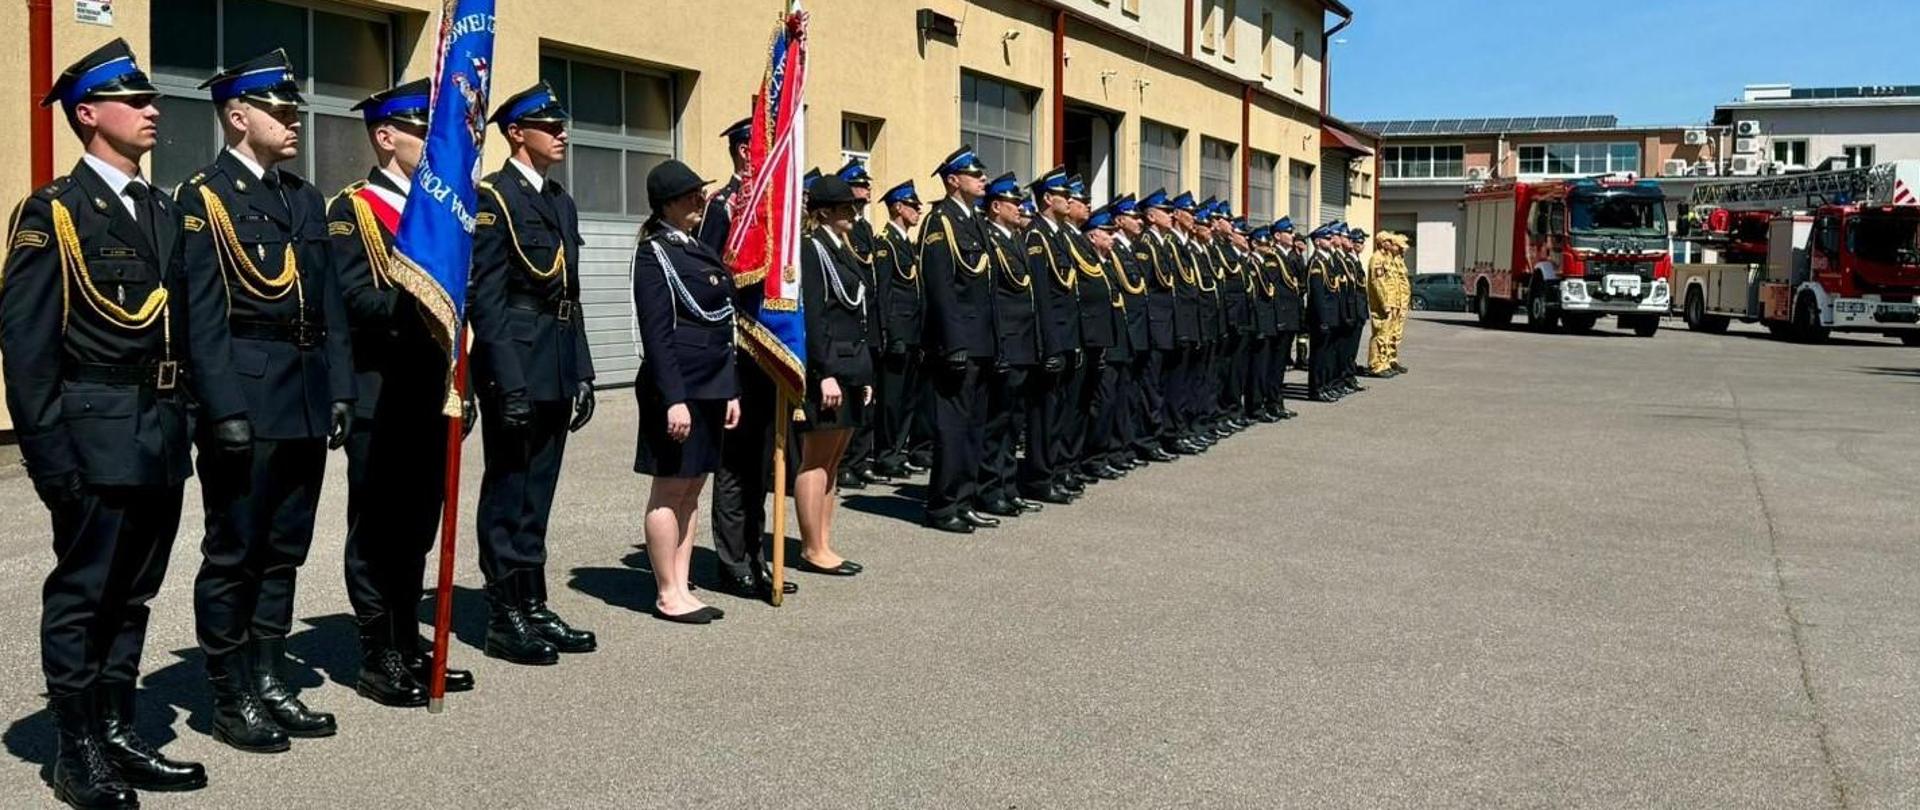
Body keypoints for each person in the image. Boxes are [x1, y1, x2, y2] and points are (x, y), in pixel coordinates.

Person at [3, 39, 241, 806]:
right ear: (88, 114)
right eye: (133, 101)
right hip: (94, 436)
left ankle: (117, 728)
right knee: (84, 595)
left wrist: (213, 420)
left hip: (160, 434)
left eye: (150, 100)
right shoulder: (56, 213)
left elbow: (197, 329)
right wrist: (49, 462)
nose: (151, 110)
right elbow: (28, 349)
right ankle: (75, 750)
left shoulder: (162, 210)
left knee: (134, 594)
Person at [175, 48, 354, 752]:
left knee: (284, 548)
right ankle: (229, 692)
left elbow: (331, 305)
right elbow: (202, 318)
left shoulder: (303, 198)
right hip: (246, 396)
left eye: (294, 113)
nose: (293, 123)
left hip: (305, 394)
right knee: (235, 550)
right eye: (280, 112)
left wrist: (339, 387)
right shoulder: (204, 198)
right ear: (237, 115)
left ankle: (270, 674)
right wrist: (221, 409)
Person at [329, 79, 475, 707]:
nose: (433, 143)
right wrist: (420, 295)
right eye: (422, 130)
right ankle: (377, 651)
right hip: (379, 391)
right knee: (378, 529)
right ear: (385, 137)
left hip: (431, 392)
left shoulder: (441, 214)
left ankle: (407, 637)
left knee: (418, 526)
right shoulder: (354, 210)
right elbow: (357, 299)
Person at [467, 81, 598, 665]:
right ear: (517, 134)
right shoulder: (493, 197)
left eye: (562, 122)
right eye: (550, 124)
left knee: (539, 492)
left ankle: (533, 599)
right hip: (517, 362)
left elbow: (571, 294)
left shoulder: (560, 200)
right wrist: (505, 380)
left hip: (557, 359)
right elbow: (487, 300)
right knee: (509, 489)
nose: (562, 132)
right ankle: (503, 613)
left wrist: (585, 371)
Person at [630, 160, 740, 623]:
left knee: (693, 488)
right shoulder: (655, 253)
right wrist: (673, 397)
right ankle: (667, 591)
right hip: (677, 388)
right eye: (693, 196)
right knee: (670, 488)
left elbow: (721, 324)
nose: (702, 202)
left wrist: (730, 389)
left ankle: (682, 581)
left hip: (710, 384)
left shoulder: (695, 248)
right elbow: (658, 334)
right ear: (669, 203)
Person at [704, 116, 796, 605]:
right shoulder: (723, 207)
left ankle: (761, 555)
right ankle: (732, 561)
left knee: (764, 461)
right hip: (737, 349)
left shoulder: (773, 209)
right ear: (744, 151)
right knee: (735, 464)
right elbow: (712, 283)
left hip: (771, 349)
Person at [794, 176, 873, 572]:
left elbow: (856, 312)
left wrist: (866, 373)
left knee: (835, 459)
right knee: (817, 457)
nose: (852, 214)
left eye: (853, 208)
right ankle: (812, 547)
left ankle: (824, 540)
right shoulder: (812, 249)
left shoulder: (841, 248)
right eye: (845, 208)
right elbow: (815, 313)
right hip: (829, 368)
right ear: (823, 211)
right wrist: (822, 372)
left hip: (851, 365)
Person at [918, 146, 998, 534]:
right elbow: (941, 289)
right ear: (954, 180)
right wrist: (953, 345)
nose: (983, 179)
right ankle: (942, 506)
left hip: (981, 342)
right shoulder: (940, 223)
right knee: (952, 429)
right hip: (957, 345)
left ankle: (965, 500)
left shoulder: (975, 222)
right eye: (975, 174)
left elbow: (988, 290)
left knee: (973, 427)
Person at [975, 173, 1044, 518]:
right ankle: (990, 489)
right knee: (997, 422)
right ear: (996, 206)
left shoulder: (1016, 239)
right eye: (1014, 203)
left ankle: (1008, 485)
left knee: (1014, 421)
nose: (1020, 208)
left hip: (1024, 343)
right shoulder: (989, 240)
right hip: (1006, 343)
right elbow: (994, 299)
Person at [1018, 167, 1079, 505]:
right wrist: (1050, 345)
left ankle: (1054, 470)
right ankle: (1039, 477)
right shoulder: (1038, 237)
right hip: (1050, 338)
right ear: (1046, 199)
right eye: (1064, 195)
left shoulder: (1059, 234)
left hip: (1066, 335)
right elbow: (1041, 296)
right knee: (1043, 413)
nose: (1069, 200)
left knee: (1059, 411)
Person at [832, 159, 886, 490]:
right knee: (853, 396)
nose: (867, 189)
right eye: (860, 184)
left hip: (870, 320)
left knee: (869, 396)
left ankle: (860, 458)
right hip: (851, 322)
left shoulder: (863, 228)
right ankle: (845, 463)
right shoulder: (844, 230)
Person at [871, 180, 925, 480]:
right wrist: (889, 333)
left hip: (913, 331)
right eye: (913, 205)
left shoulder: (907, 243)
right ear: (897, 208)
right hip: (898, 333)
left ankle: (898, 450)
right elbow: (885, 294)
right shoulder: (886, 244)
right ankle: (886, 453)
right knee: (891, 399)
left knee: (907, 398)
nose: (918, 210)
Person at [1304, 224, 1344, 402]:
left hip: (1332, 315)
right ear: (1318, 242)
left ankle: (1326, 385)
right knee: (1319, 355)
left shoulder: (1328, 260)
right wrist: (1322, 319)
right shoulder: (1317, 263)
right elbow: (1318, 295)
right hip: (1322, 317)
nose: (1330, 240)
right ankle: (1316, 389)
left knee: (1327, 354)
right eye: (1326, 238)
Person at [1367, 231, 1411, 377]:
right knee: (1380, 334)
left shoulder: (1391, 259)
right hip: (1383, 304)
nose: (1393, 245)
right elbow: (1378, 284)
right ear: (1381, 243)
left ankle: (1386, 362)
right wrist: (1386, 304)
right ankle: (1376, 364)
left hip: (1394, 303)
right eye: (1389, 242)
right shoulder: (1377, 259)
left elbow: (1398, 284)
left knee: (1389, 335)